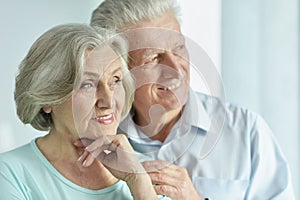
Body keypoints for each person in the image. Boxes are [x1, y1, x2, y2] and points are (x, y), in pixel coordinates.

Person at [80, 0, 295, 199]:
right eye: (154, 58)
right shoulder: (96, 143)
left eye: (179, 48)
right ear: (118, 70)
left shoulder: (247, 132)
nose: (176, 70)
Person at [0, 23, 169, 200]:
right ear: (48, 98)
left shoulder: (147, 172)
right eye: (87, 84)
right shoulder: (9, 173)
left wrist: (138, 181)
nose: (108, 101)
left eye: (116, 80)